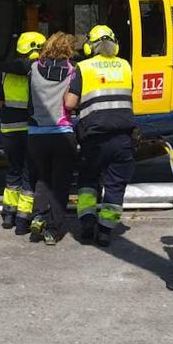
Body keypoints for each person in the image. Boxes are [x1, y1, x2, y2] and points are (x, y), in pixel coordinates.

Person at [67, 25, 136, 246]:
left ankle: (87, 223)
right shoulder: (125, 66)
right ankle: (106, 230)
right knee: (115, 184)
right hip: (123, 137)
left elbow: (70, 103)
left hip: (93, 137)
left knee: (88, 180)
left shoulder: (84, 67)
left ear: (89, 46)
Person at [26, 32, 80, 246]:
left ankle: (38, 215)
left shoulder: (32, 69)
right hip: (61, 133)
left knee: (42, 179)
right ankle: (53, 229)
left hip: (36, 135)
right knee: (61, 185)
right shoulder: (73, 70)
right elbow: (70, 104)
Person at [0, 31, 43, 233]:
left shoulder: (6, 72)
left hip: (9, 129)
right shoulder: (38, 71)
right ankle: (23, 218)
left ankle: (8, 215)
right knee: (29, 174)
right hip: (31, 128)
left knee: (13, 171)